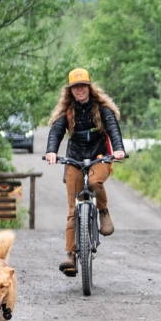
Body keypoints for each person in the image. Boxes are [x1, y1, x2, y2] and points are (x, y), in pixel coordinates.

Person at [44, 68, 127, 276]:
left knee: (93, 183)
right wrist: (51, 151)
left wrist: (118, 150)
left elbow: (113, 129)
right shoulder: (68, 112)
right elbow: (56, 131)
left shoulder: (101, 109)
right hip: (74, 159)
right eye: (75, 87)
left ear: (89, 87)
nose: (79, 90)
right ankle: (71, 255)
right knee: (73, 209)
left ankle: (103, 211)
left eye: (83, 86)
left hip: (99, 157)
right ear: (70, 90)